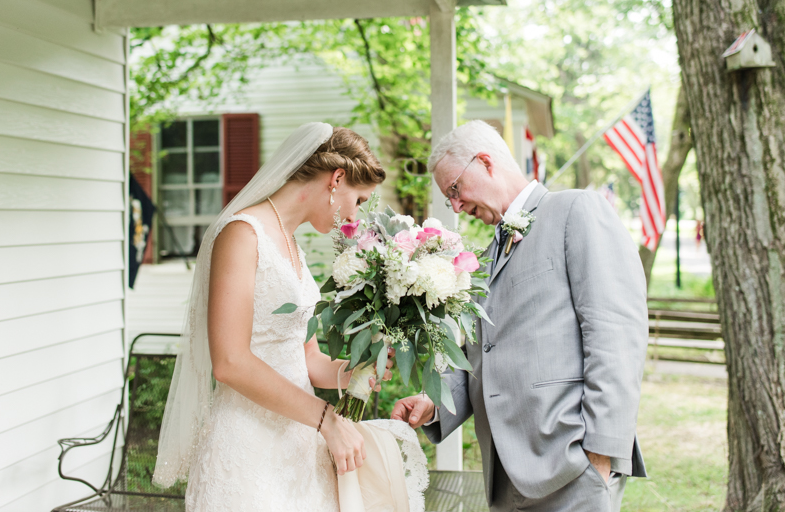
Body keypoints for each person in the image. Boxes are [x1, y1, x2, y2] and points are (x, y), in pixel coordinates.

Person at [153, 123, 426, 511]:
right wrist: (327, 420)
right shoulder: (242, 234)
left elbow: (307, 358)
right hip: (248, 449)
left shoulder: (291, 244)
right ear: (336, 179)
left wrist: (352, 370)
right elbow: (230, 362)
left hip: (299, 447)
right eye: (360, 200)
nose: (356, 216)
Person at [392, 120, 648, 512]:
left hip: (571, 466)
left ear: (485, 162)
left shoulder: (576, 210)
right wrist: (435, 401)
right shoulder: (485, 255)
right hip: (505, 476)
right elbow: (484, 355)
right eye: (449, 199)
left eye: (456, 190)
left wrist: (600, 455)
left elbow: (616, 334)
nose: (457, 206)